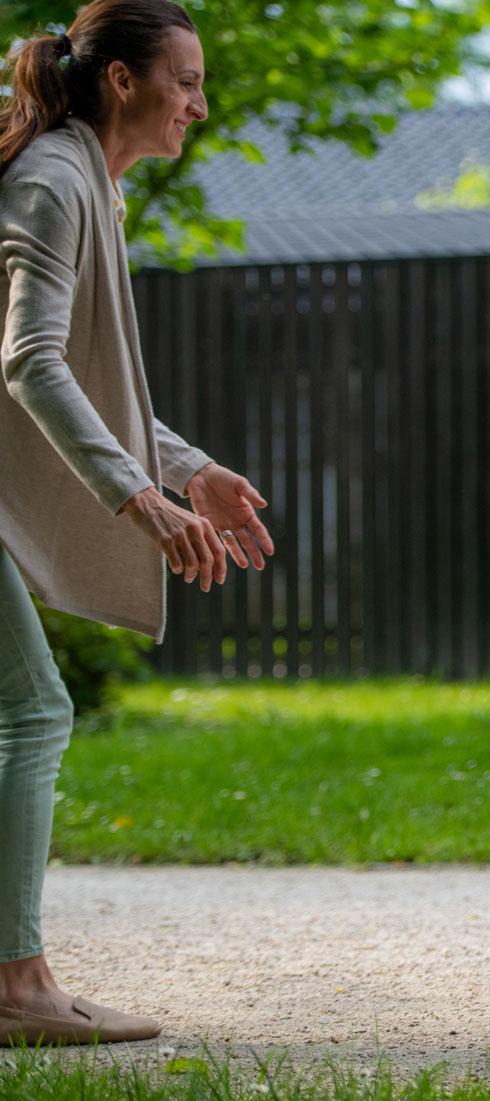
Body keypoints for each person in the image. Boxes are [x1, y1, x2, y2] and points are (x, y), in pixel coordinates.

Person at [0, 0, 274, 1046]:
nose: (199, 104)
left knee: (22, 715)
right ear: (122, 80)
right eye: (186, 81)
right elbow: (30, 362)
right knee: (29, 715)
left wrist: (188, 470)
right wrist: (136, 498)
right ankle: (17, 988)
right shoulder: (55, 180)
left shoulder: (84, 184)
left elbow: (88, 380)